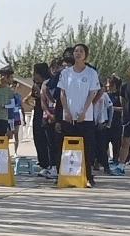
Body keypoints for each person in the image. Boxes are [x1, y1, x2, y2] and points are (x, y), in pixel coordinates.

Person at [57, 42, 102, 187]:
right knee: (67, 147)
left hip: (85, 117)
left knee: (87, 148)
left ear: (86, 55)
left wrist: (84, 111)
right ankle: (67, 175)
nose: (78, 53)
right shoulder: (65, 73)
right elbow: (62, 94)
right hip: (68, 117)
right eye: (76, 51)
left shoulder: (91, 73)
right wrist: (67, 111)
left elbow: (92, 93)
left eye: (81, 51)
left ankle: (88, 177)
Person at [30, 63, 54, 174]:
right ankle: (42, 162)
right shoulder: (35, 84)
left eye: (36, 73)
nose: (34, 75)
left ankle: (49, 164)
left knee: (46, 139)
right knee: (37, 137)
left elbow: (50, 99)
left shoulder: (49, 83)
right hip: (37, 111)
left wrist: (40, 94)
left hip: (46, 112)